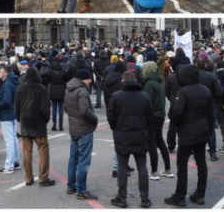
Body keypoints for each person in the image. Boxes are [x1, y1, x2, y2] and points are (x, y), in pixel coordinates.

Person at [165, 65, 212, 207]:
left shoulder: (183, 92)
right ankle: (200, 194)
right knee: (201, 162)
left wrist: (172, 117)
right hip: (202, 131)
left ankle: (180, 195)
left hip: (187, 132)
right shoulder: (206, 91)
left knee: (182, 164)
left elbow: (177, 114)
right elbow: (210, 115)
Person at [107, 71, 152, 209]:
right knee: (142, 167)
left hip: (122, 135)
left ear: (123, 80)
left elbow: (111, 117)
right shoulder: (144, 96)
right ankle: (144, 198)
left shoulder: (116, 96)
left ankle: (122, 197)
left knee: (122, 167)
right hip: (140, 135)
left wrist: (116, 128)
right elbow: (150, 118)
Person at [15, 68, 55, 187]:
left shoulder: (21, 88)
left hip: (25, 122)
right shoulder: (41, 88)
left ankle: (28, 178)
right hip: (38, 123)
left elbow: (16, 105)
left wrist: (19, 117)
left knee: (27, 151)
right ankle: (43, 177)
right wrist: (46, 119)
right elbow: (46, 107)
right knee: (43, 149)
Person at [64, 68, 99, 200]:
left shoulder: (68, 88)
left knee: (73, 158)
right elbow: (84, 111)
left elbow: (66, 107)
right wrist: (94, 119)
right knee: (84, 160)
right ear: (83, 79)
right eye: (89, 78)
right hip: (84, 129)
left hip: (74, 128)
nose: (90, 81)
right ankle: (81, 190)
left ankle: (71, 186)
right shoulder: (82, 90)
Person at [141, 61, 173, 180]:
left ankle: (154, 171)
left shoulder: (149, 84)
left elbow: (146, 101)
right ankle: (168, 169)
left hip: (152, 116)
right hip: (160, 115)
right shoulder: (159, 82)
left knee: (152, 143)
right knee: (160, 141)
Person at [0, 65, 20, 174]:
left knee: (9, 140)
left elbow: (6, 100)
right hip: (12, 112)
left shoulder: (7, 84)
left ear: (5, 73)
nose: (0, 74)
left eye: (1, 72)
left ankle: (9, 166)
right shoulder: (14, 81)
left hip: (6, 114)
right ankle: (15, 161)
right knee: (13, 138)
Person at [43, 56, 67, 131]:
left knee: (54, 108)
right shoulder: (63, 72)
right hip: (61, 90)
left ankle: (54, 124)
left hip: (53, 89)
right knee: (60, 109)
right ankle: (61, 124)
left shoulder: (50, 72)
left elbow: (46, 79)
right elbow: (66, 80)